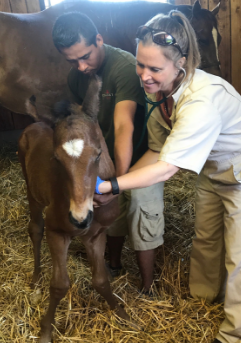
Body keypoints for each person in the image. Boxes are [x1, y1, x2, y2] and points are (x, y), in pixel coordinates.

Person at [97, 10, 241, 343]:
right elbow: (157, 151)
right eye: (140, 64)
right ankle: (202, 301)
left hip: (238, 175)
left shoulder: (201, 101)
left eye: (154, 68)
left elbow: (167, 167)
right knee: (205, 239)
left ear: (182, 63)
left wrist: (111, 185)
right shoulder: (159, 94)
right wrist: (123, 182)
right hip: (212, 171)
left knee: (237, 254)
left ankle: (232, 334)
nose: (144, 76)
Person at [52, 12, 165, 294]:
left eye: (85, 56)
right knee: (109, 213)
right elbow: (82, 124)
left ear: (99, 40)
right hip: (102, 154)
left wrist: (119, 183)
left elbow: (123, 125)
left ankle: (148, 287)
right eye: (72, 61)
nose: (80, 66)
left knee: (141, 209)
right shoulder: (76, 76)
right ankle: (114, 263)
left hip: (141, 154)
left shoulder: (123, 67)